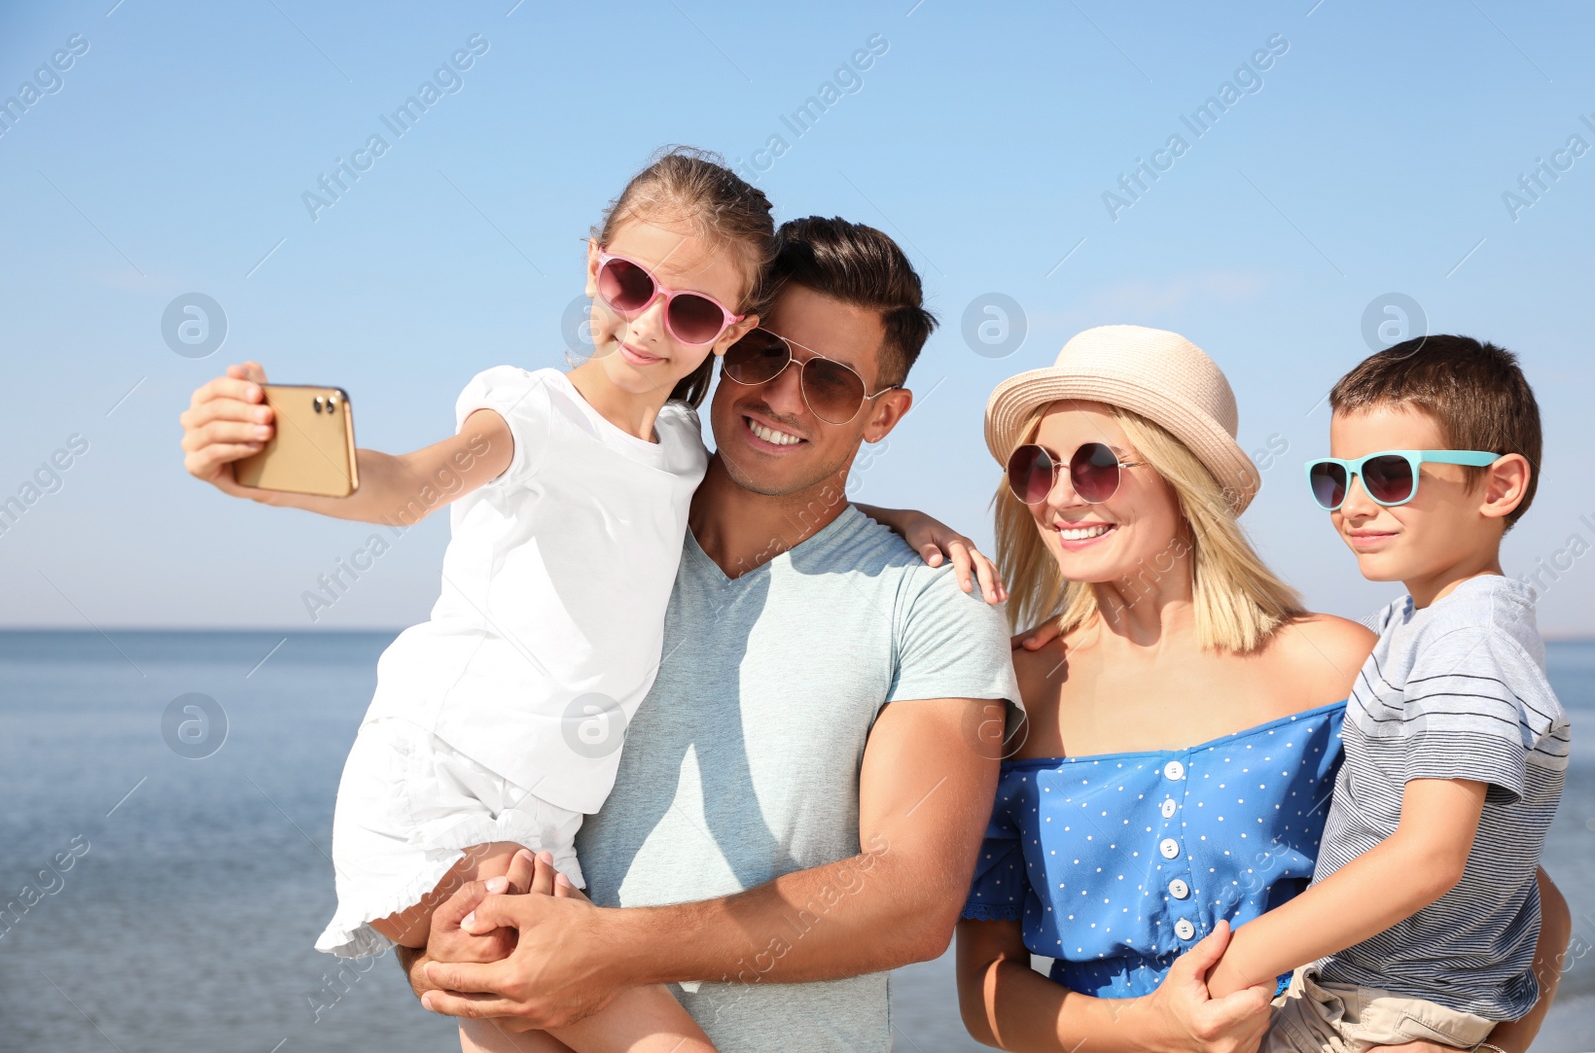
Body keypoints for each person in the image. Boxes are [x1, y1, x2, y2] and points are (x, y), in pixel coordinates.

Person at [176, 152, 983, 1053]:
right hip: (464, 819)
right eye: (631, 284)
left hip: (541, 850)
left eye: (829, 383)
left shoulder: (712, 477)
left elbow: (914, 903)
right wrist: (273, 470)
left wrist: (887, 521)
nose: (649, 324)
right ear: (594, 265)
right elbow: (407, 486)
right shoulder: (544, 428)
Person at [400, 215, 1023, 1052]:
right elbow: (456, 770)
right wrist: (435, 951)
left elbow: (913, 900)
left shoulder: (936, 602)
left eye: (831, 383)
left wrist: (606, 949)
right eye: (765, 354)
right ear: (725, 343)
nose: (781, 398)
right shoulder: (600, 533)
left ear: (884, 416)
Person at [954, 325, 1571, 1053]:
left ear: (1186, 479)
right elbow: (984, 988)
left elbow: (1513, 895)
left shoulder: (1337, 663)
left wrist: (1498, 1046)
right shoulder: (1007, 694)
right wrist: (1147, 1029)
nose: (1058, 496)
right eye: (1035, 467)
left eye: (1093, 466)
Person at [1205, 336, 1571, 1053]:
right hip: (1371, 1004)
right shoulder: (1427, 623)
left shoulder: (1467, 641)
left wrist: (1245, 958)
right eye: (1335, 480)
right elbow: (1540, 896)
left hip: (1379, 1017)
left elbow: (1428, 856)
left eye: (1389, 475)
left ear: (1498, 487)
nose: (1354, 505)